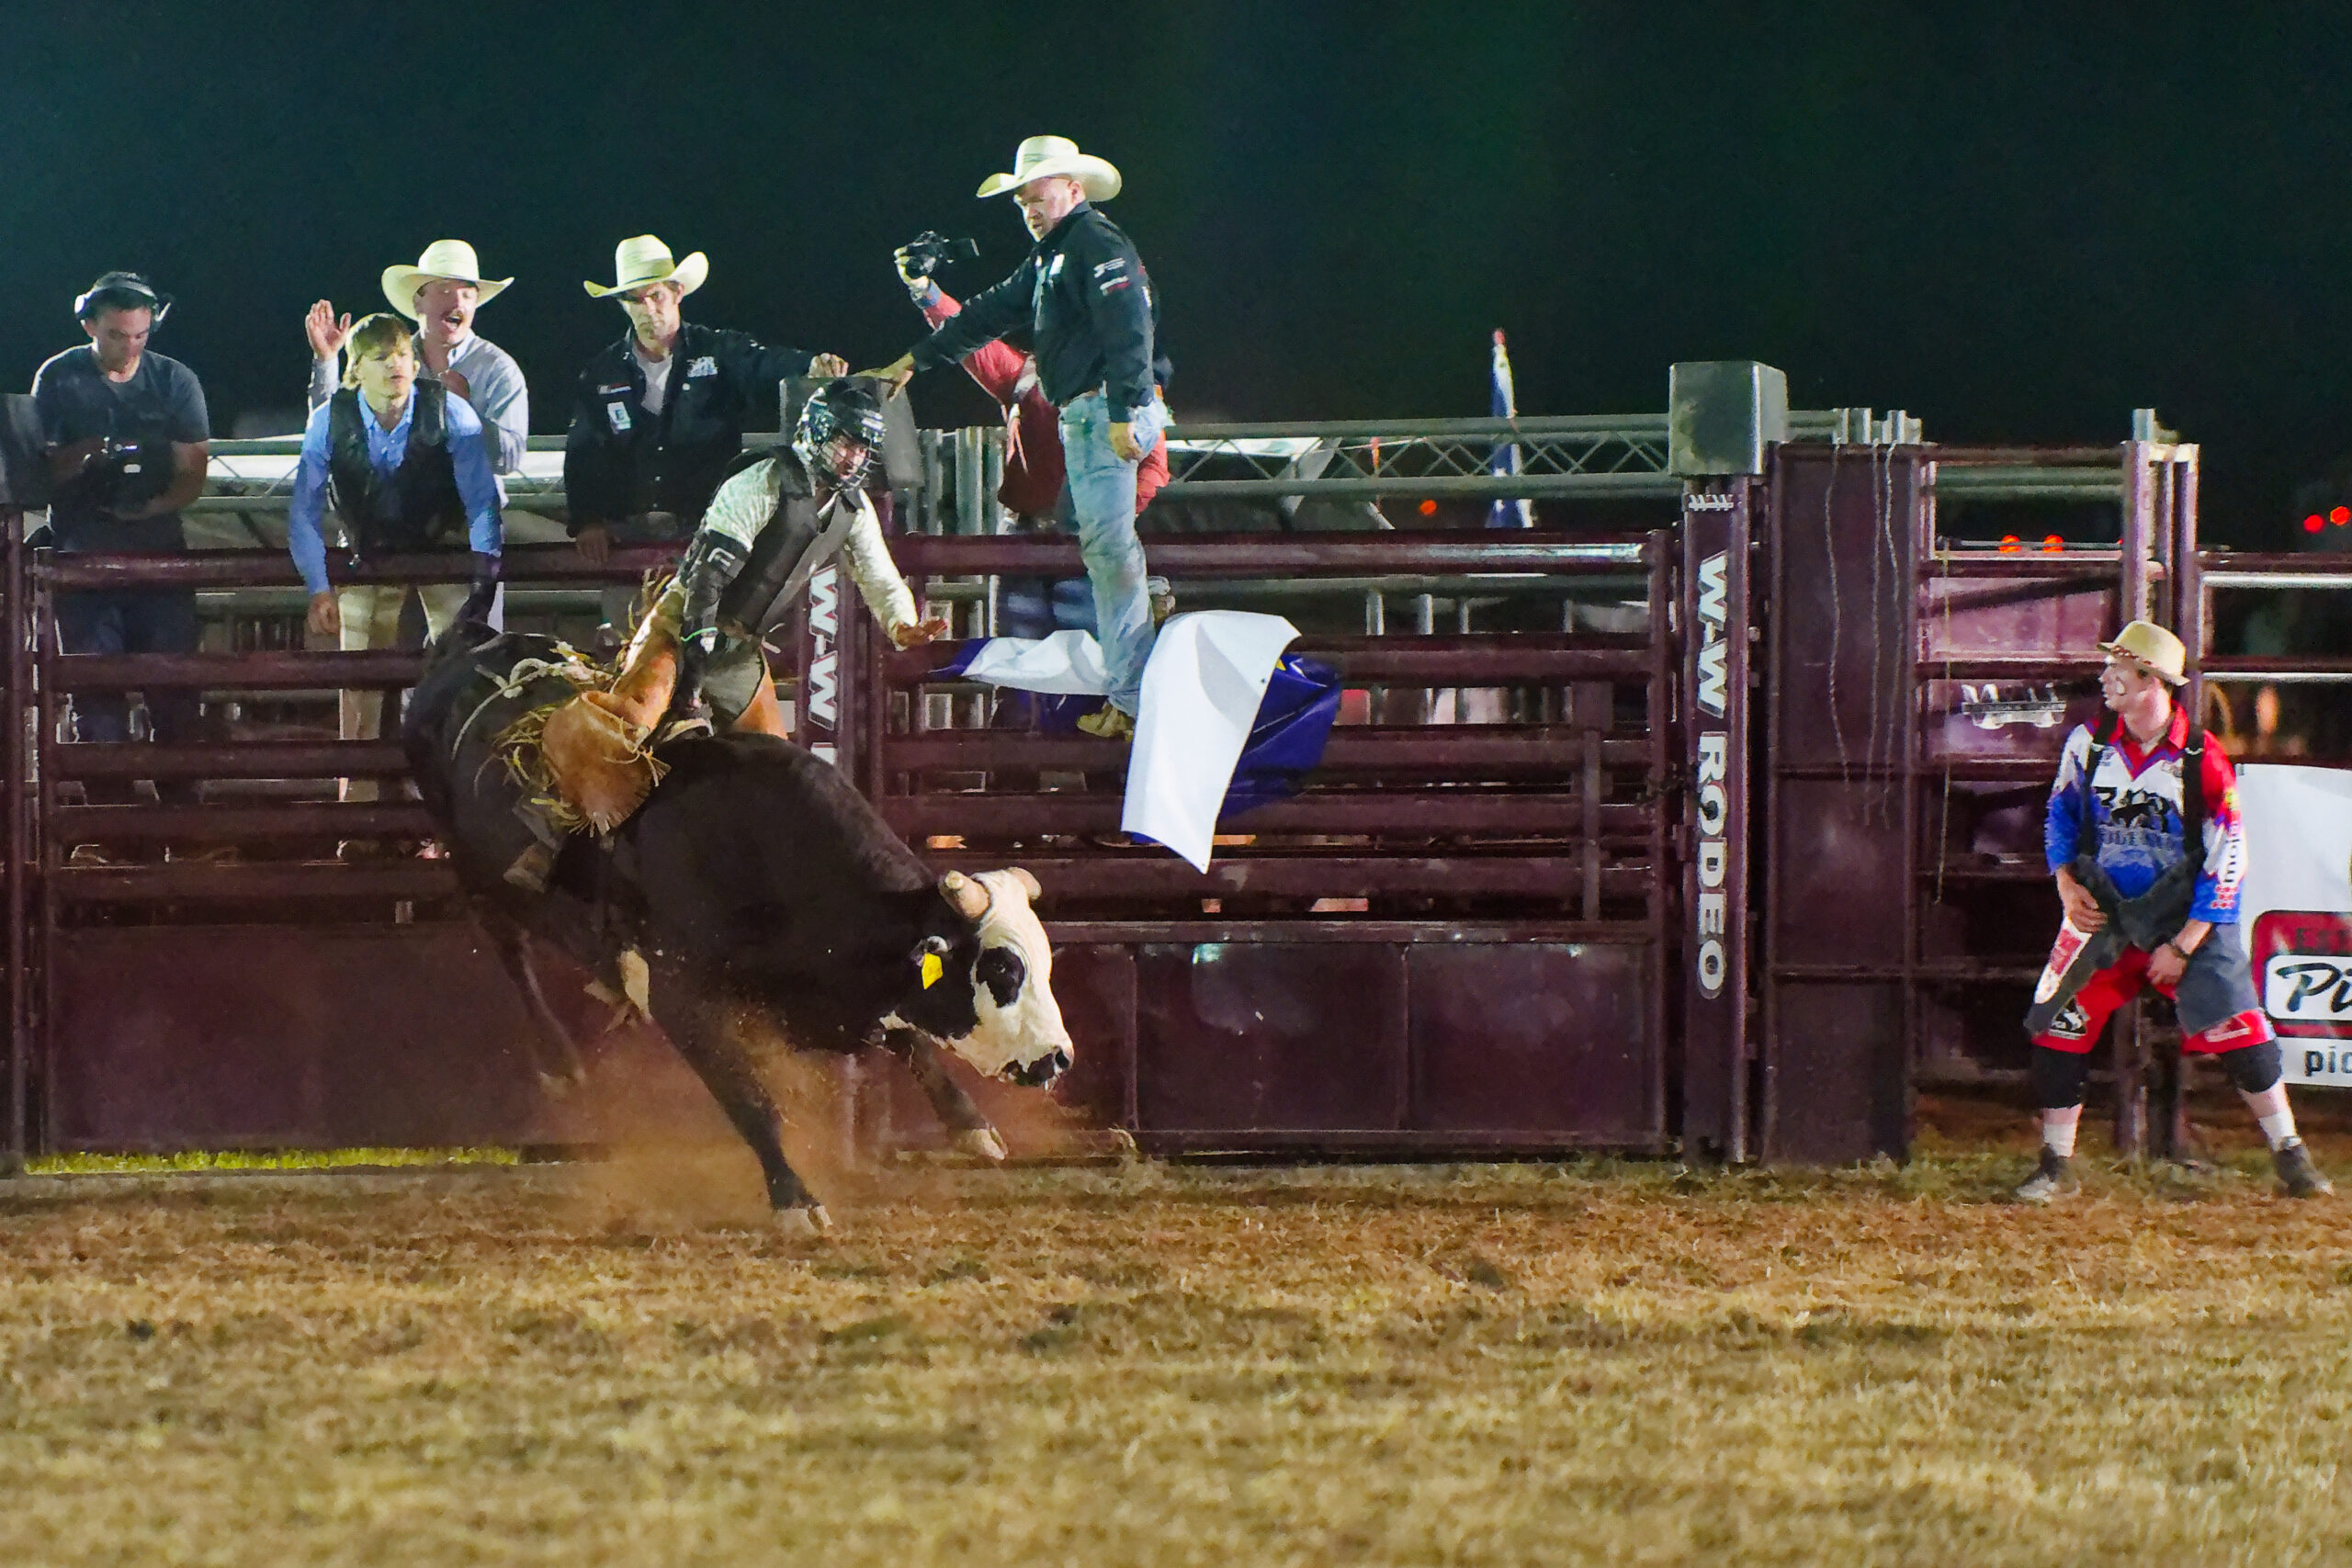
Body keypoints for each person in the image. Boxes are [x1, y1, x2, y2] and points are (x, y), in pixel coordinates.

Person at [516, 378, 942, 891]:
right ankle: (545, 837)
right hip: (683, 623)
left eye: (861, 446)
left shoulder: (852, 511)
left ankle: (757, 877)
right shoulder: (764, 480)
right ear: (817, 434)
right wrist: (692, 675)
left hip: (739, 646)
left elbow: (879, 573)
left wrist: (902, 623)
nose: (853, 457)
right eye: (844, 441)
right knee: (629, 719)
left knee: (777, 770)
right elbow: (706, 578)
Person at [2016, 620, 2333, 1202]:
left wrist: (2185, 943)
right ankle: (2054, 1164)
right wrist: (2064, 882)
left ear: (2152, 682)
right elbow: (2060, 814)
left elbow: (2227, 857)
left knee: (2238, 1025)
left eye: (2120, 670)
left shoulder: (2202, 760)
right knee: (2059, 1020)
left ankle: (2291, 1153)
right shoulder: (2087, 744)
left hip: (2187, 913)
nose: (2106, 678)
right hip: (2105, 911)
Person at [865, 136, 1170, 739]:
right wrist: (912, 358)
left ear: (1073, 190)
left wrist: (1125, 406)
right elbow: (984, 316)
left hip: (1095, 413)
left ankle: (1132, 700)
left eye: (1040, 191)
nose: (1030, 205)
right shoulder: (1057, 255)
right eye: (1023, 198)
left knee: (1110, 556)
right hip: (1081, 429)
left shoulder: (1092, 244)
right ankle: (1126, 696)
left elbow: (1129, 323)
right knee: (1107, 557)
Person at [892, 236, 1172, 654]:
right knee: (1032, 658)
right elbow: (973, 342)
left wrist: (1106, 513)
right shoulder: (1049, 375)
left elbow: (1153, 468)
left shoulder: (1125, 383)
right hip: (1029, 536)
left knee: (1068, 659)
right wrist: (925, 292)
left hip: (1070, 541)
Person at [563, 235, 847, 637]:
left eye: (655, 296)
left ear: (676, 293)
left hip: (706, 529)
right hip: (629, 536)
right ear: (623, 305)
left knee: (697, 639)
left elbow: (763, 363)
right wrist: (588, 518)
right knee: (628, 648)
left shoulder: (717, 352)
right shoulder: (601, 372)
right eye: (634, 299)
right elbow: (584, 452)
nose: (647, 309)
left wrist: (808, 366)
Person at [284, 314, 502, 807]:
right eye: (381, 357)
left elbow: (482, 501)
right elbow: (303, 510)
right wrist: (318, 585)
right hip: (369, 553)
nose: (395, 365)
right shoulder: (329, 421)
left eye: (401, 354)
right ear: (356, 370)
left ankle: (462, 809)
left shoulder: (452, 412)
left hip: (441, 551)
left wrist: (483, 582)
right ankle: (357, 811)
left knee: (462, 674)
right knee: (358, 682)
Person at [31, 272, 212, 844]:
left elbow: (194, 470)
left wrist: (149, 504)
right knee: (96, 697)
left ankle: (180, 828)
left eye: (139, 335)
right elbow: (38, 467)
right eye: (117, 335)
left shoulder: (176, 379)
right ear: (90, 327)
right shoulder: (58, 378)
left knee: (174, 693)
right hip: (85, 554)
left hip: (155, 552)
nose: (129, 346)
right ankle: (113, 834)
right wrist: (81, 461)